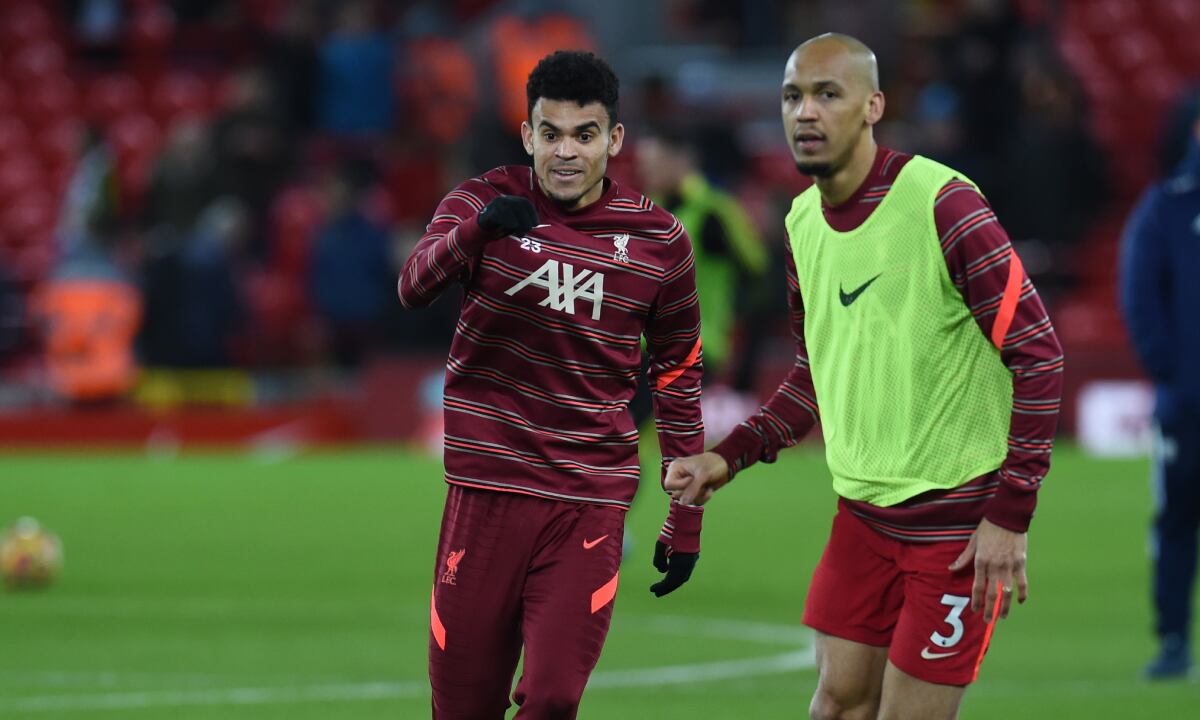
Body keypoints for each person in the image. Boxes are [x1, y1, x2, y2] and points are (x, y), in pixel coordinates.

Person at [664, 33, 1063, 719]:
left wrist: (1010, 513)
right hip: (862, 520)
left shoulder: (943, 204)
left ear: (873, 105)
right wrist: (727, 458)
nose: (806, 113)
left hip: (956, 527)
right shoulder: (801, 225)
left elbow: (1039, 353)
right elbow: (815, 375)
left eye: (828, 94)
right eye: (793, 96)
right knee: (838, 705)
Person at [398, 50, 705, 719]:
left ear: (614, 140)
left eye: (585, 135)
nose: (567, 152)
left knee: (555, 697)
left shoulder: (661, 241)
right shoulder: (481, 201)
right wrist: (478, 233)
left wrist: (687, 518)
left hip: (587, 502)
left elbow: (678, 375)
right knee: (462, 707)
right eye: (552, 133)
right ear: (528, 134)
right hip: (485, 495)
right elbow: (413, 285)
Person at [1120, 98, 1200, 681]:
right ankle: (1173, 641)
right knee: (1176, 522)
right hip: (1188, 408)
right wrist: (1176, 375)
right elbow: (1140, 299)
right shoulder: (1167, 207)